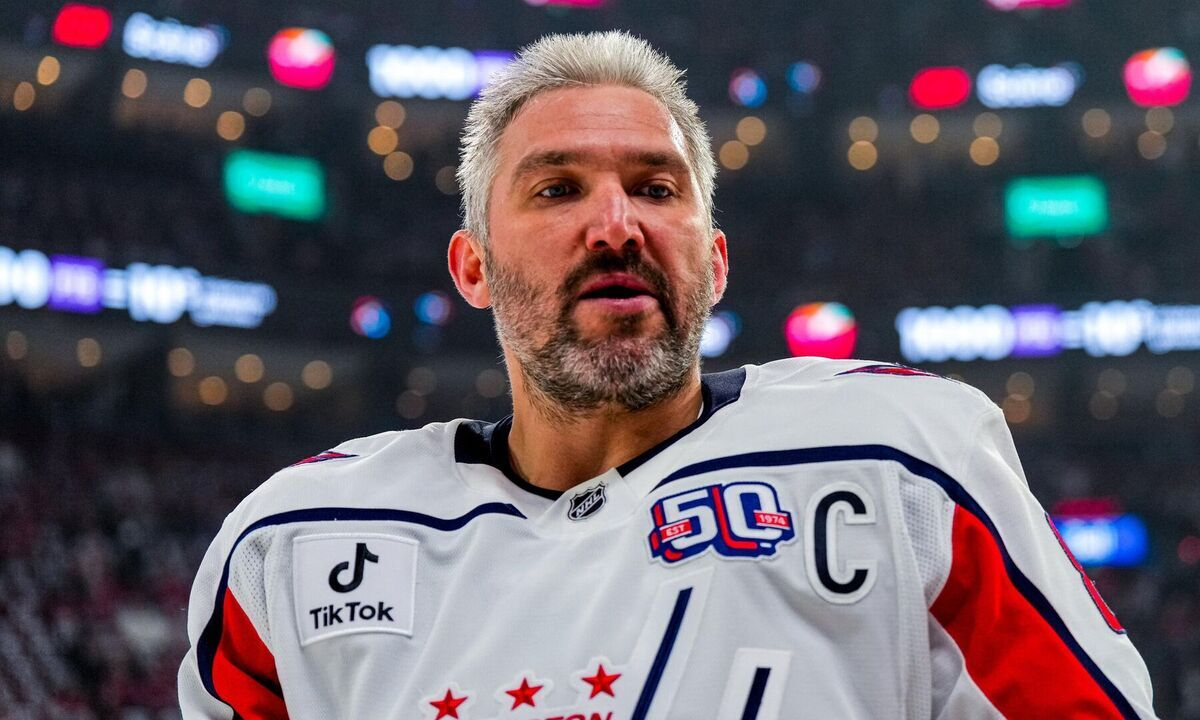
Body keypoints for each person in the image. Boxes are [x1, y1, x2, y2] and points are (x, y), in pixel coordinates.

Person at [178, 30, 1157, 719]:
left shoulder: (905, 461)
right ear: (472, 267)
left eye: (654, 187)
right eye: (557, 188)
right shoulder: (288, 549)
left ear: (714, 263)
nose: (616, 225)